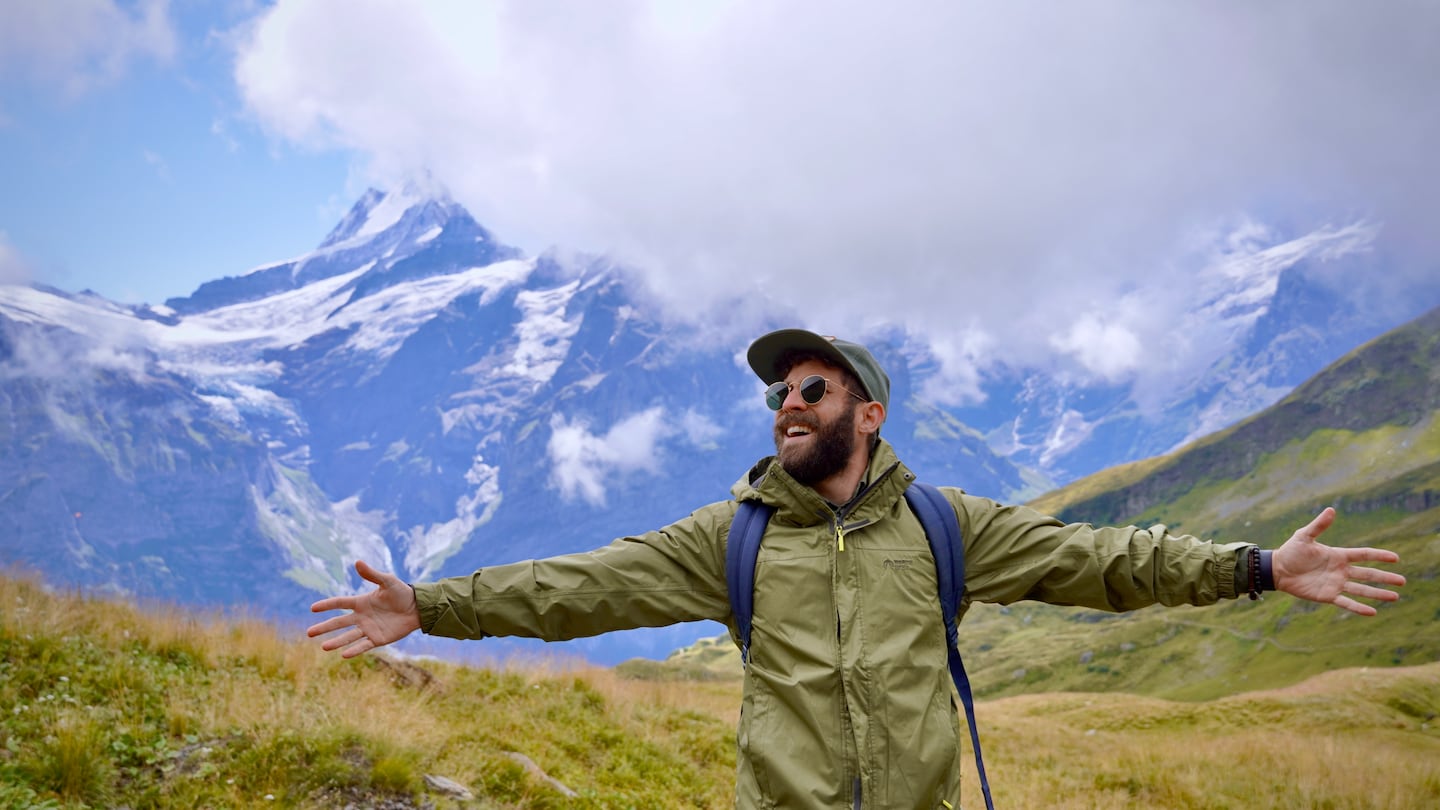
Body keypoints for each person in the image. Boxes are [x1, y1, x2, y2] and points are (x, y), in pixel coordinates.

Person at [308, 328, 1406, 810]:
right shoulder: (728, 537)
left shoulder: (945, 524)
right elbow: (579, 588)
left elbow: (1105, 561)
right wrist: (431, 608)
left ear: (866, 415)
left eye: (812, 391)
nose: (788, 406)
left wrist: (1258, 566)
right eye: (779, 394)